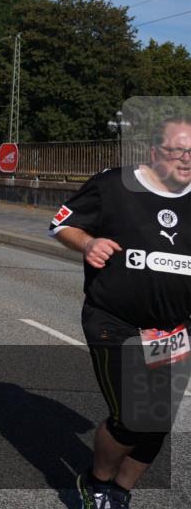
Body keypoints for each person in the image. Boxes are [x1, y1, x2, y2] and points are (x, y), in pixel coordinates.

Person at [51, 115, 190, 509]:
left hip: (173, 329)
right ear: (154, 152)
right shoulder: (114, 184)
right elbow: (61, 224)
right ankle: (95, 483)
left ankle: (120, 492)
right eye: (176, 150)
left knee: (158, 420)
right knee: (132, 415)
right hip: (114, 320)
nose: (186, 159)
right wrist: (87, 243)